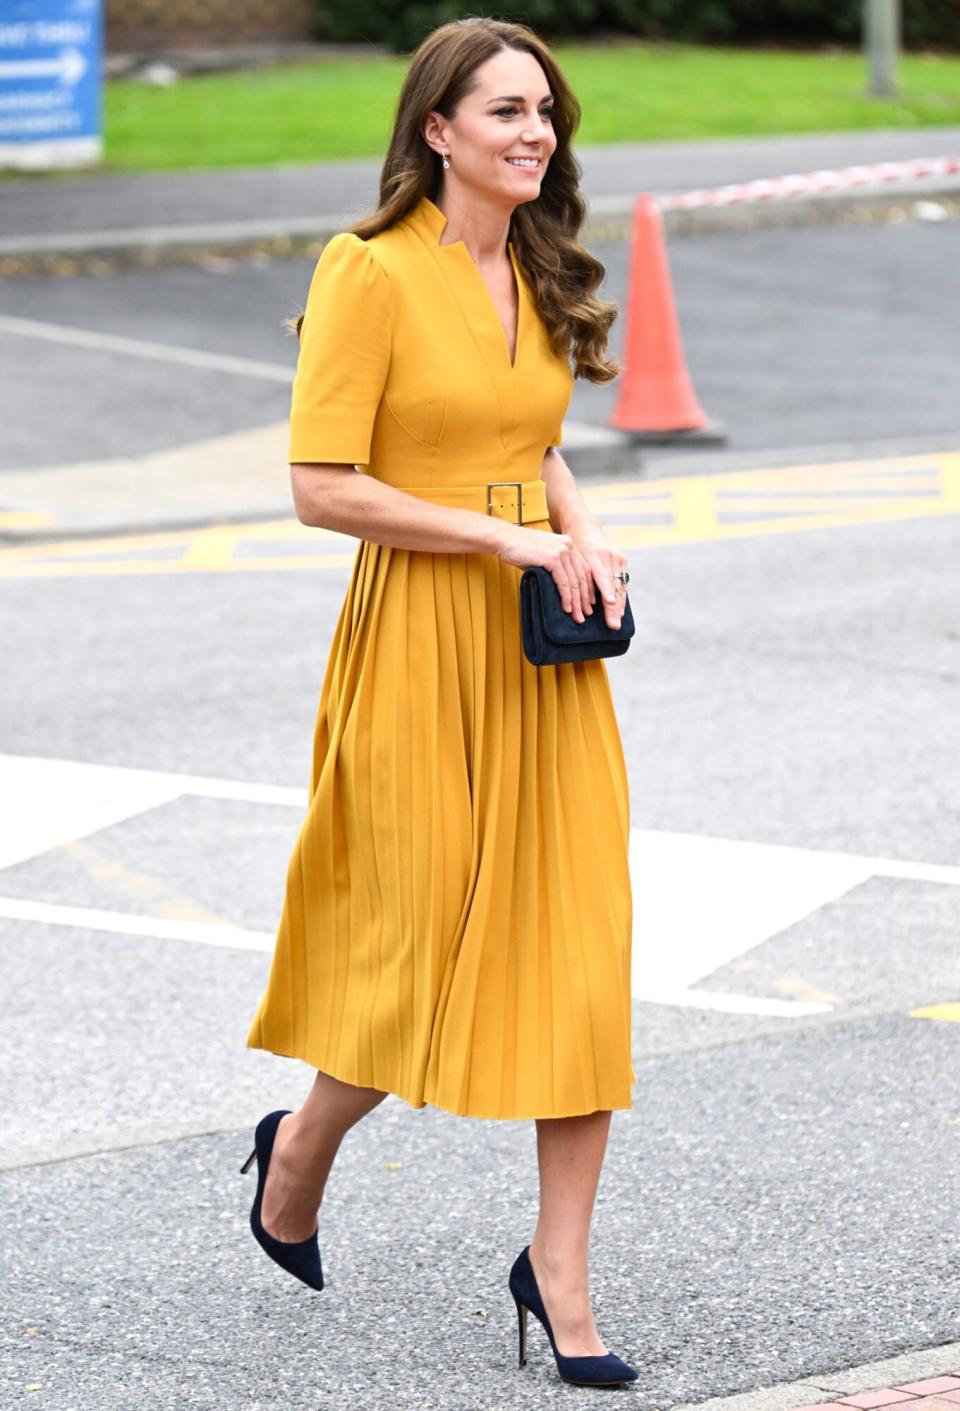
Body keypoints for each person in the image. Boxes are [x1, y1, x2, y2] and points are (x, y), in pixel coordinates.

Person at [242, 15, 637, 1389]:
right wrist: (515, 539)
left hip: (543, 656)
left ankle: (562, 1280)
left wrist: (573, 529)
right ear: (437, 130)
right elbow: (321, 487)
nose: (536, 133)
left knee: (578, 950)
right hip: (419, 641)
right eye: (508, 112)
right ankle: (297, 1149)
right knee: (413, 945)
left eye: (546, 113)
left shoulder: (530, 259)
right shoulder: (367, 274)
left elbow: (531, 446)